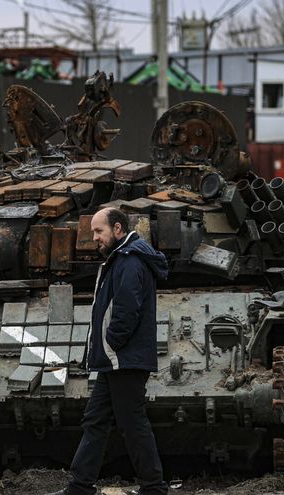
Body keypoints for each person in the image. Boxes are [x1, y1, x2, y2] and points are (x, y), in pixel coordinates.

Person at [47, 208, 169, 495]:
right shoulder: (120, 259)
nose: (94, 238)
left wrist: (111, 344)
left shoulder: (130, 261)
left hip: (123, 359)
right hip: (114, 359)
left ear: (117, 229)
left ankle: (153, 488)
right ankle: (79, 487)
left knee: (132, 423)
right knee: (96, 420)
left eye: (98, 231)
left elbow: (126, 311)